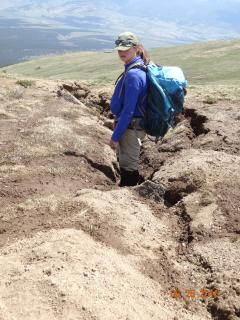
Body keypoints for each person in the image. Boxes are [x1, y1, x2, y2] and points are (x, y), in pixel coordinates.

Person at [109, 32, 150, 187]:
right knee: (126, 162)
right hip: (131, 126)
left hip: (131, 127)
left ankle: (130, 197)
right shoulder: (135, 67)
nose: (121, 53)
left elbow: (128, 111)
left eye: (125, 49)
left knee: (128, 167)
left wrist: (115, 136)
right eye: (119, 49)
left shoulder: (133, 74)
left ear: (135, 48)